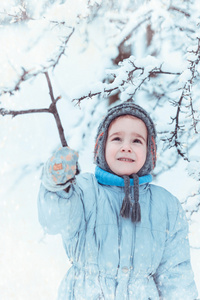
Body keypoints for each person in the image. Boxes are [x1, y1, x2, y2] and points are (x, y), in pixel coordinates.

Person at [38, 101, 198, 300]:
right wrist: (58, 183)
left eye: (137, 141)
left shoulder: (166, 206)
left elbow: (176, 275)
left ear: (150, 151)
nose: (126, 147)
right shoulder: (83, 191)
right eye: (117, 139)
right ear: (101, 146)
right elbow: (53, 220)